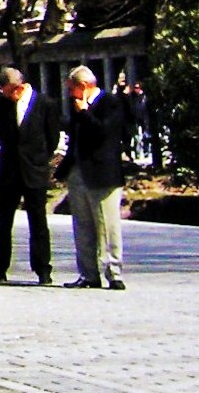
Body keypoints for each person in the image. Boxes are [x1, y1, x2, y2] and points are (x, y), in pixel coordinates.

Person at [58, 65, 129, 290]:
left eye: (73, 90)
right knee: (83, 226)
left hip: (102, 174)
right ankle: (88, 274)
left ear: (84, 86)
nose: (71, 95)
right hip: (79, 172)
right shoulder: (76, 106)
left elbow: (104, 133)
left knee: (107, 225)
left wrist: (85, 112)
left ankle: (113, 272)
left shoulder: (110, 103)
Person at [0, 66, 61, 285]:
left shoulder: (45, 104)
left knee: (38, 222)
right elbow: (0, 135)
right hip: (8, 171)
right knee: (3, 222)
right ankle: (0, 269)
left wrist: (39, 160)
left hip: (34, 170)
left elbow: (52, 139)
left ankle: (43, 269)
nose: (5, 96)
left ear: (18, 88)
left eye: (7, 91)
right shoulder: (1, 105)